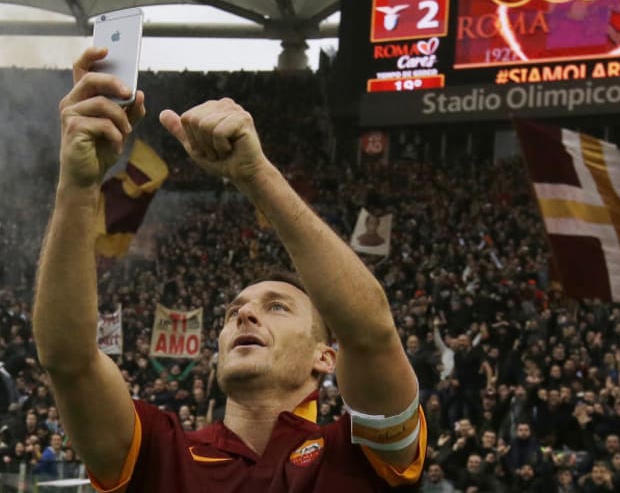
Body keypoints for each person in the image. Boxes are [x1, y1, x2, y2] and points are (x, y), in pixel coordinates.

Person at [32, 47, 426, 492]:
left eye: (277, 307)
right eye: (233, 311)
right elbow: (68, 360)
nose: (245, 314)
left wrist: (257, 174)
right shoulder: (156, 453)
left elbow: (371, 333)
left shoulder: (364, 455)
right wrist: (78, 183)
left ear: (324, 357)